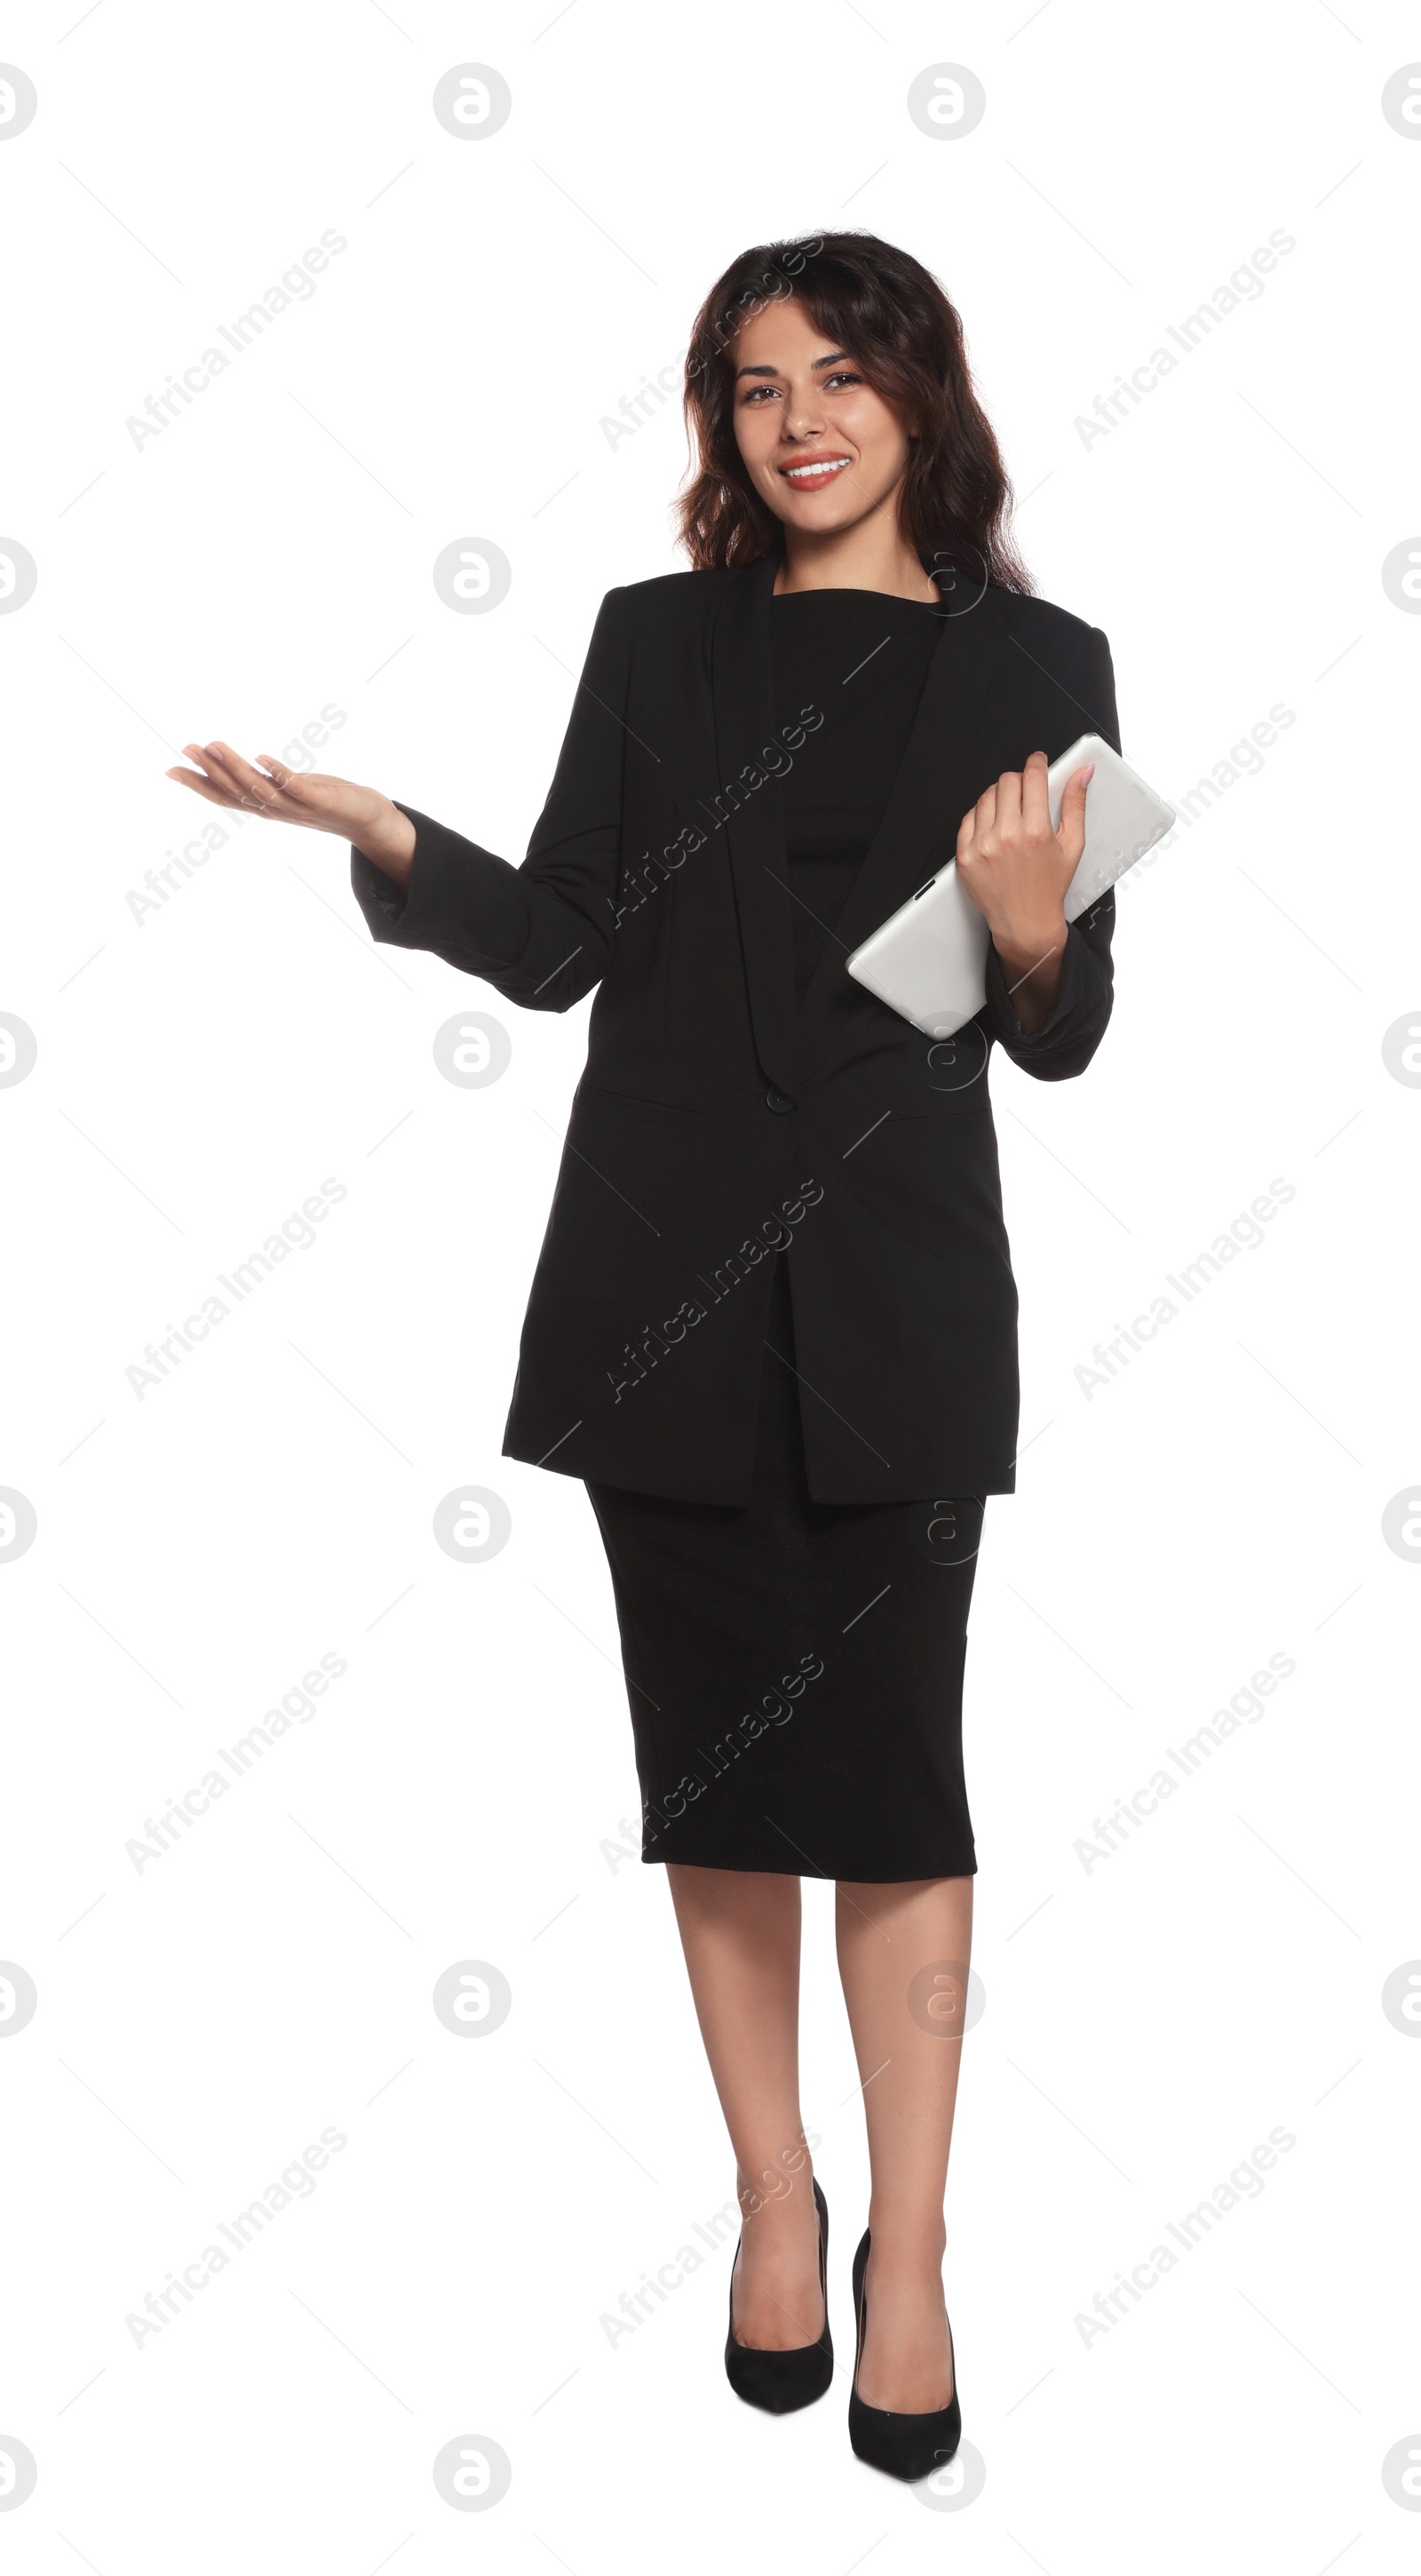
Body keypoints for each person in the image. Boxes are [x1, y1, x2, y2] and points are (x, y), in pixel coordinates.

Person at [167, 229, 1120, 2483]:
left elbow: (1061, 1035)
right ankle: (770, 2199)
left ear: (916, 396)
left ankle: (912, 2247)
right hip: (661, 1288)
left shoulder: (1041, 660)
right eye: (748, 383)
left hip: (893, 1299)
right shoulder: (650, 641)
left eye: (833, 375)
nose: (791, 418)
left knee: (890, 1772)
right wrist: (393, 841)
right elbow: (568, 946)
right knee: (716, 1776)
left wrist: (1021, 937)